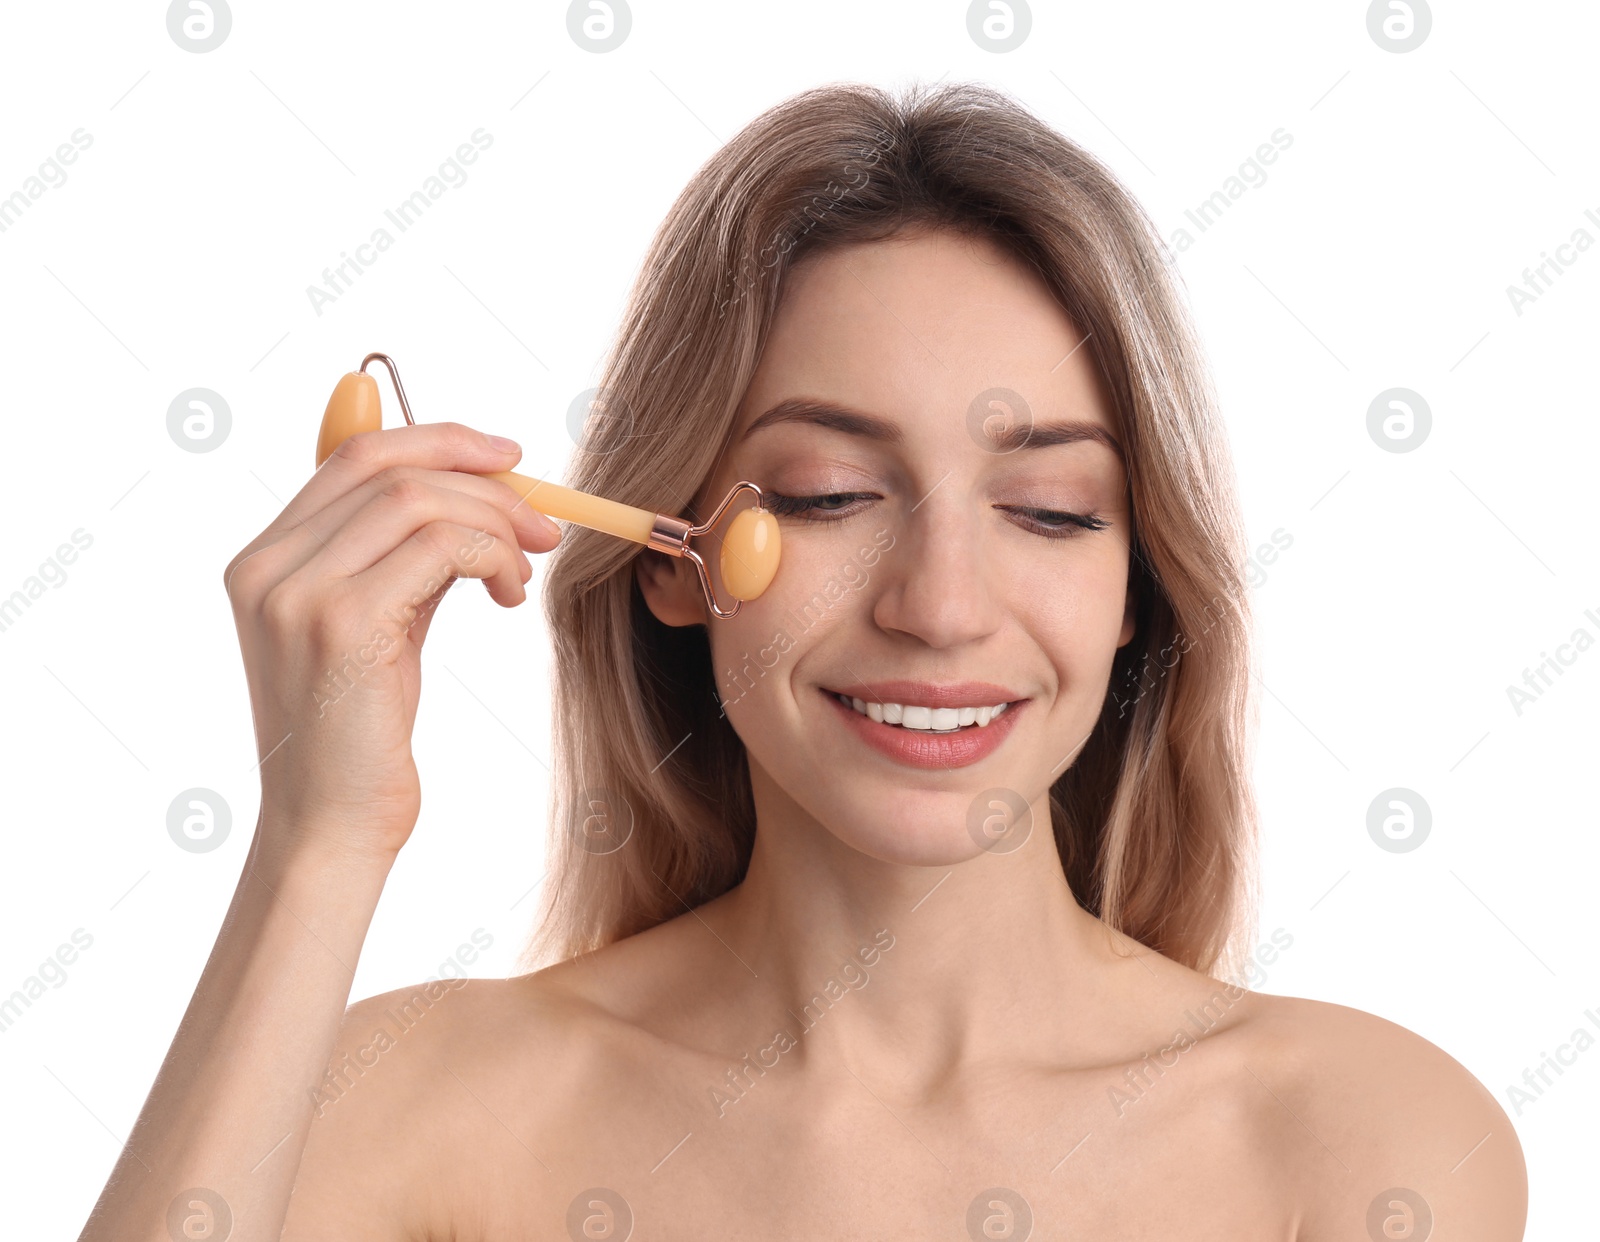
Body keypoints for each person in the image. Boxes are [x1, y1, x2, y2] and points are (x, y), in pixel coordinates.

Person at [79, 80, 1527, 1241]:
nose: (943, 603)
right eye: (832, 494)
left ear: (1137, 588)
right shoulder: (417, 1103)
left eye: (1049, 509)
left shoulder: (1363, 1140)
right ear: (668, 556)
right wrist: (319, 841)